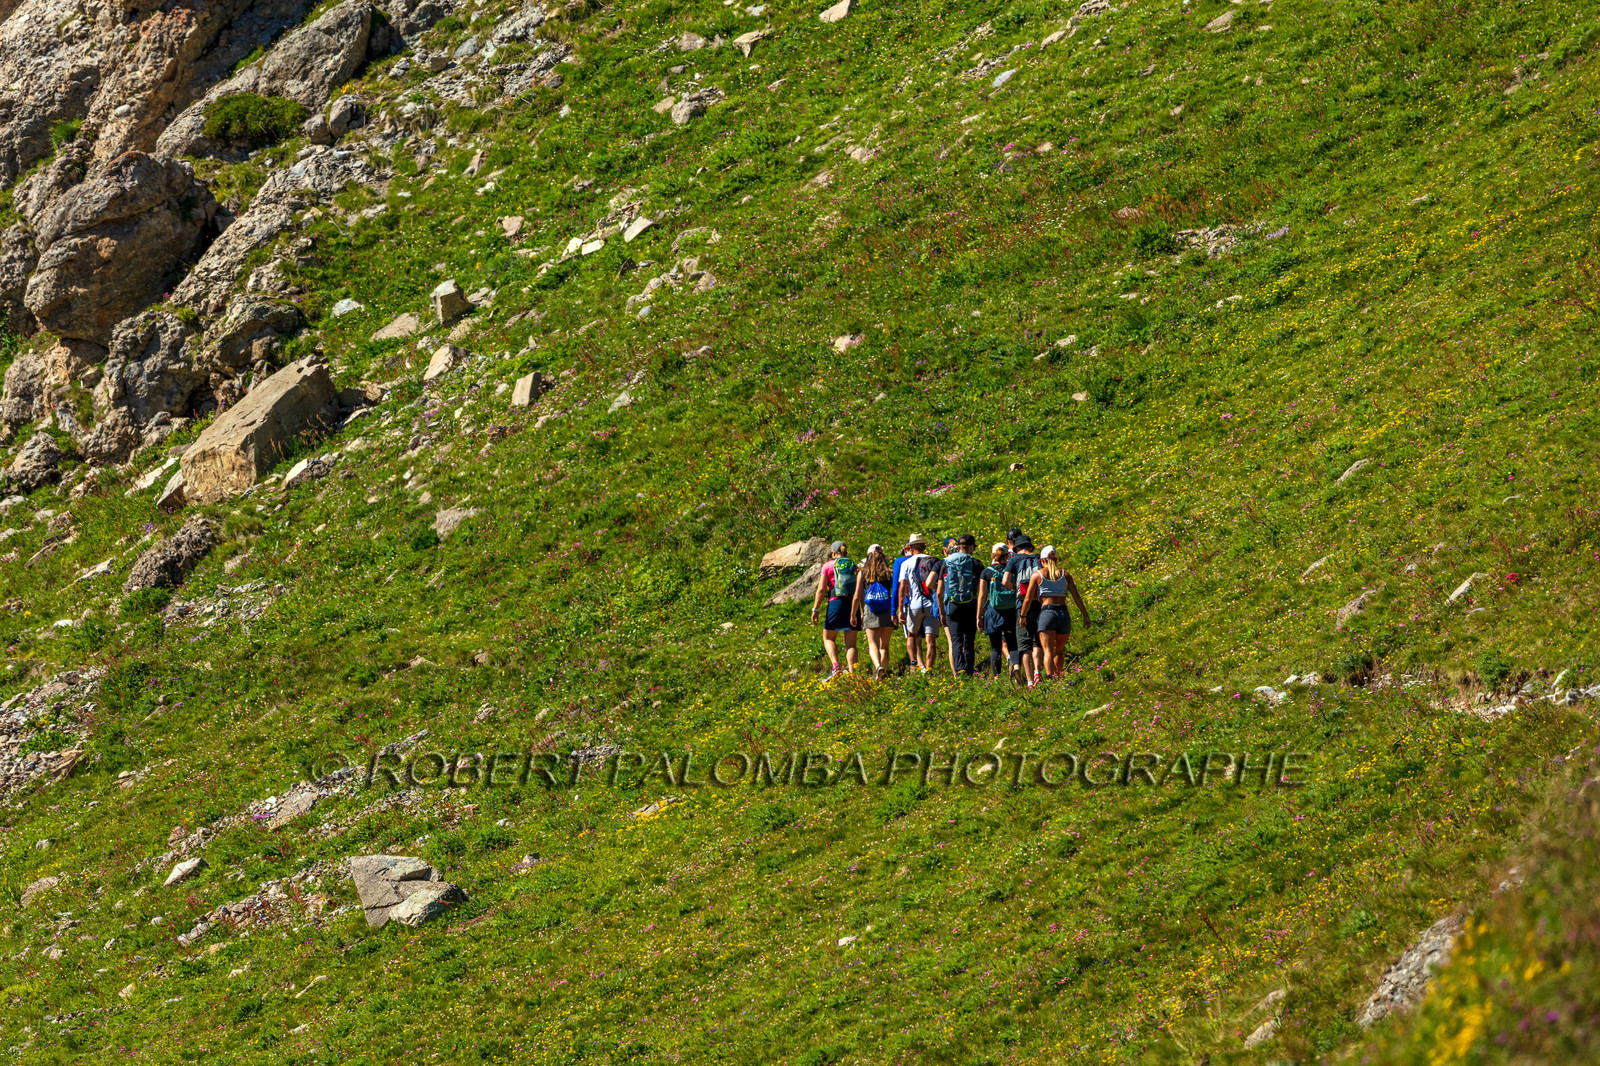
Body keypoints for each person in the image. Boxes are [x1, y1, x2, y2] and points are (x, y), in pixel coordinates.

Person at [1018, 545, 1091, 681]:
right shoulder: (1065, 575)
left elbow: (1028, 598)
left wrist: (1023, 615)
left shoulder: (1038, 575)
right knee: (1059, 651)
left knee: (1048, 651)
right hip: (1063, 614)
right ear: (1056, 559)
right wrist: (1085, 615)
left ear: (1042, 560)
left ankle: (1051, 680)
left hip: (1047, 613)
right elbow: (1076, 596)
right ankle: (1059, 677)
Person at [809, 540, 858, 681]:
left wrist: (816, 609)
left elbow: (821, 589)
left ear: (833, 552)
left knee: (828, 637)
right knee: (851, 644)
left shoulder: (828, 566)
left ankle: (836, 666)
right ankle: (853, 674)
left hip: (835, 602)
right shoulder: (852, 565)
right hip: (852, 604)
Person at [936, 534, 983, 677]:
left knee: (956, 640)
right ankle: (969, 671)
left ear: (958, 547)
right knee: (968, 639)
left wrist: (942, 613)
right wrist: (980, 612)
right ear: (972, 547)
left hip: (952, 605)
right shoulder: (976, 563)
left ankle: (960, 671)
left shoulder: (946, 562)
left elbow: (939, 592)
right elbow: (982, 590)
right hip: (970, 604)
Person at [895, 533, 941, 674]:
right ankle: (929, 669)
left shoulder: (905, 563)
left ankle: (914, 665)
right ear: (924, 546)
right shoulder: (934, 561)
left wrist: (901, 609)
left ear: (910, 548)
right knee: (930, 639)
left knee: (912, 635)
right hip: (931, 603)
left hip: (914, 605)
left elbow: (903, 586)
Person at [850, 544, 896, 680]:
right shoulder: (889, 572)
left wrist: (853, 614)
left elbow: (857, 596)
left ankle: (878, 667)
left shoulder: (863, 572)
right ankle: (884, 674)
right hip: (887, 609)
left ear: (868, 557)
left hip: (870, 610)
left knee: (873, 644)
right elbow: (895, 592)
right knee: (885, 646)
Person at [1003, 535, 1043, 686]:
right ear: (1030, 547)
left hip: (1021, 604)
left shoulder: (1013, 560)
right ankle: (1038, 671)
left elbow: (1005, 581)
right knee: (1037, 640)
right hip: (1039, 603)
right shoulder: (1038, 557)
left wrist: (1016, 589)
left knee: (1024, 644)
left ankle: (1030, 682)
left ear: (1016, 548)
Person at [977, 543, 1017, 678]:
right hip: (1011, 610)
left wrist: (978, 617)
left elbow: (982, 596)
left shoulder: (986, 572)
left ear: (993, 555)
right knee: (1012, 644)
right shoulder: (1011, 569)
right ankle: (1016, 668)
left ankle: (997, 678)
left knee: (995, 647)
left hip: (992, 612)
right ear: (1007, 555)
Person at [890, 542, 920, 672]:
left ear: (905, 549)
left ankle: (914, 665)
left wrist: (894, 610)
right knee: (921, 636)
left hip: (908, 603)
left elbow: (896, 587)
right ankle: (923, 665)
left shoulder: (900, 561)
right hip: (925, 602)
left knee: (910, 635)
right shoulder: (924, 558)